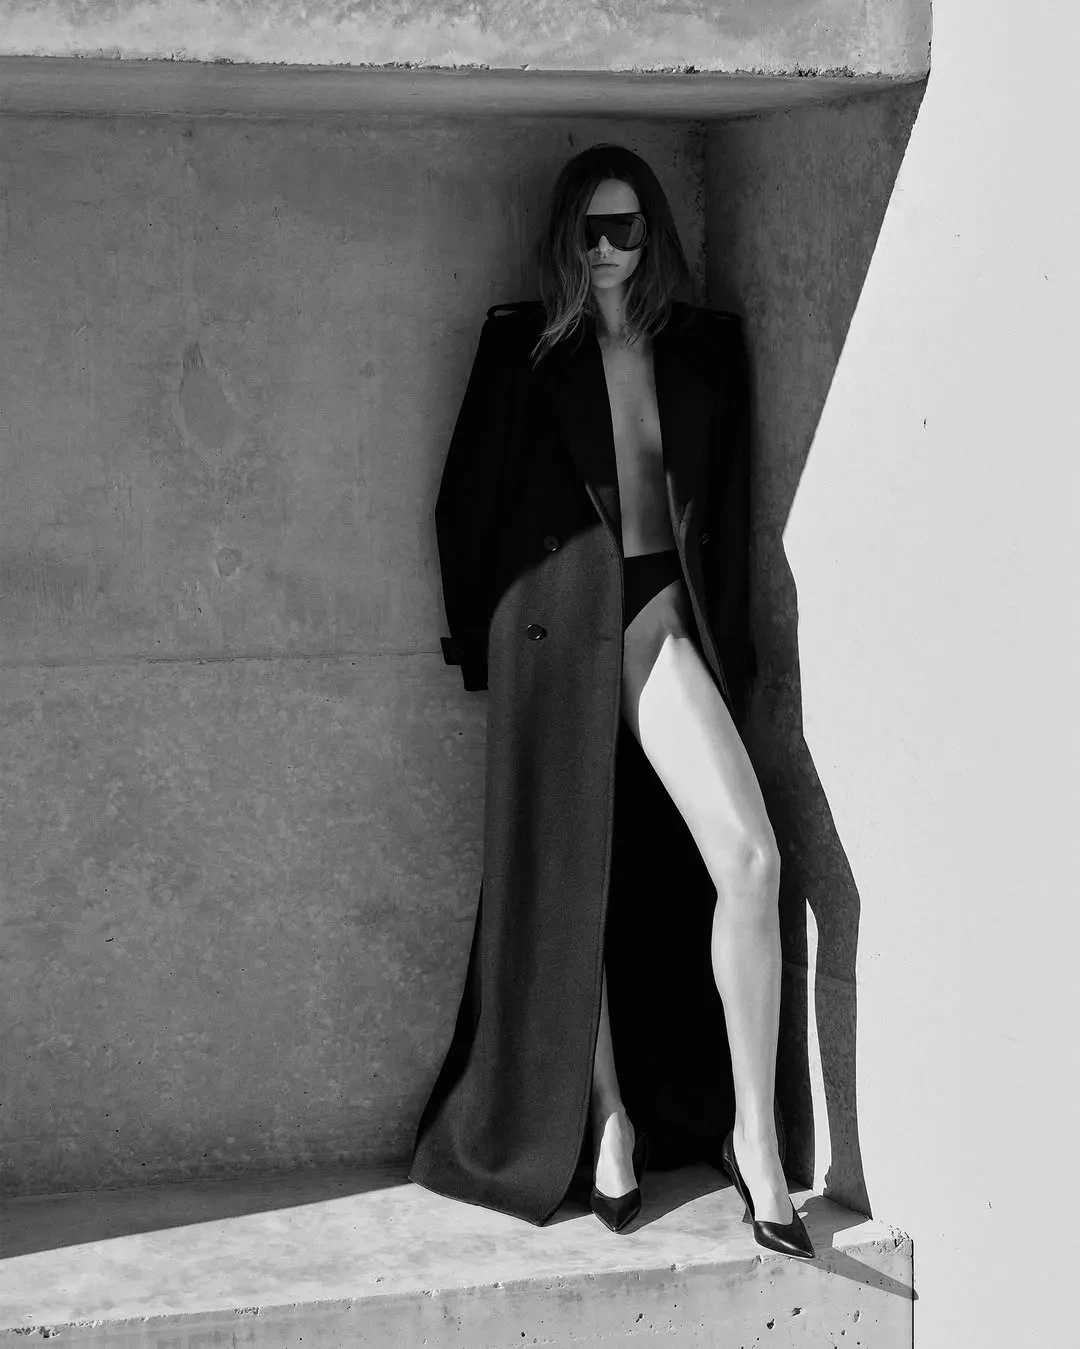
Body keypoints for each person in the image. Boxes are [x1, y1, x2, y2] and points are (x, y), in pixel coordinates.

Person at [409, 143, 813, 1261]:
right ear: (562, 234)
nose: (604, 249)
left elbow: (727, 516)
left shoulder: (704, 348)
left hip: (662, 626)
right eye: (587, 229)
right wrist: (483, 651)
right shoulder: (522, 346)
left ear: (655, 236)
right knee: (569, 876)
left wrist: (738, 653)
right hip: (553, 634)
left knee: (752, 859)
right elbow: (462, 506)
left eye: (625, 228)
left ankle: (756, 1137)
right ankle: (608, 1117)